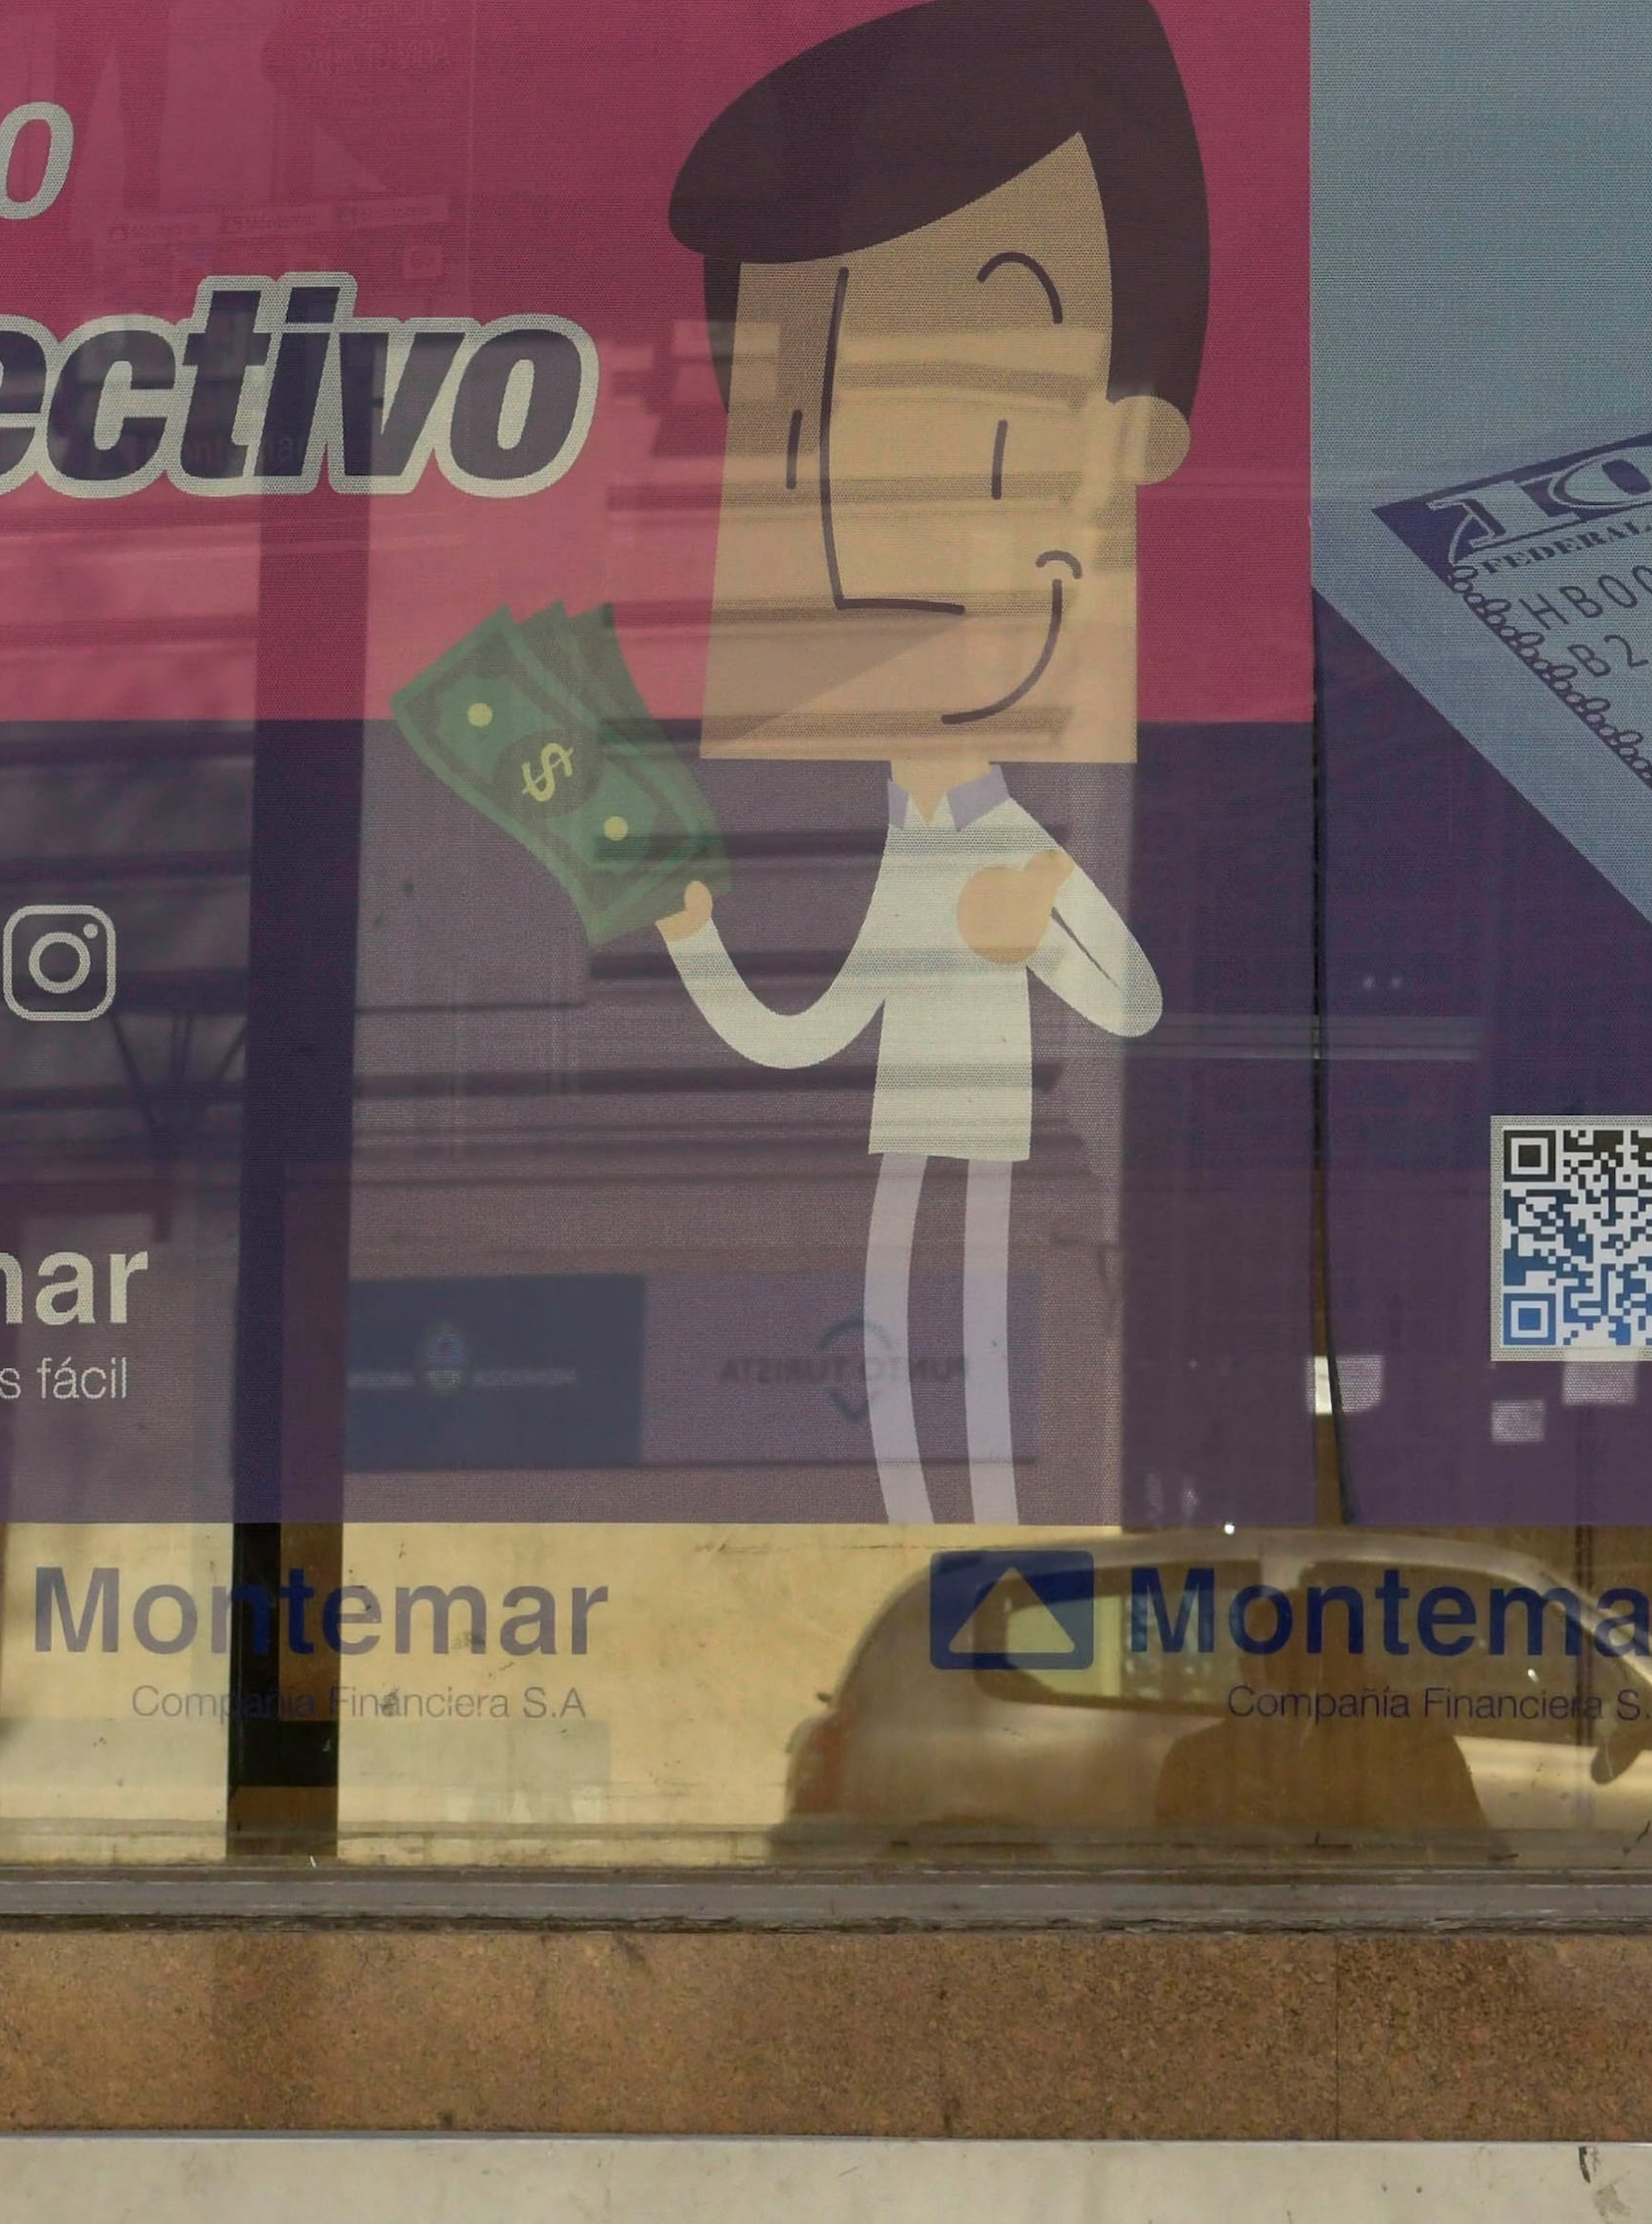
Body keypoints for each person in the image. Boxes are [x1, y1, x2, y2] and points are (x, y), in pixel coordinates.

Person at [646, 0, 1205, 1529]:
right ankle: (935, 1541)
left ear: (1131, 435)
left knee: (966, 1325)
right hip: (915, 1136)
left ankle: (979, 1543)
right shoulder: (916, 834)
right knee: (895, 1332)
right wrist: (699, 946)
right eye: (804, 434)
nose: (850, 541)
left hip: (999, 1140)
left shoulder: (1018, 846)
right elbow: (813, 1027)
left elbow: (1136, 998)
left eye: (974, 404)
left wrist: (1040, 931)